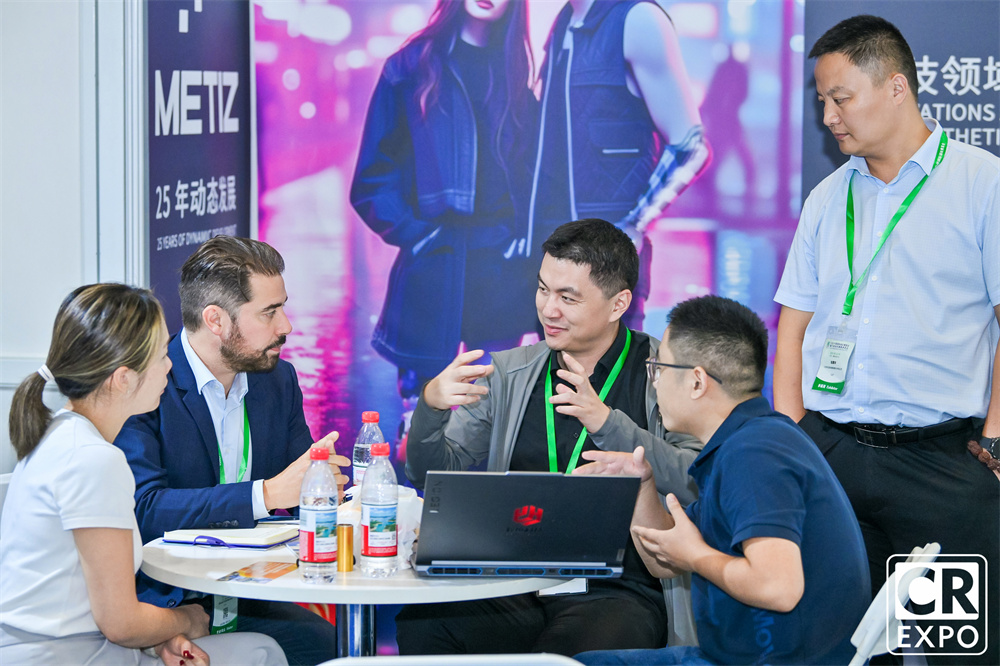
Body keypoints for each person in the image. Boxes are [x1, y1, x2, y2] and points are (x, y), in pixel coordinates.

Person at [773, 14, 999, 663]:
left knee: (953, 651)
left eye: (840, 98)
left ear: (896, 88)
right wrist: (794, 434)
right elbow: (794, 325)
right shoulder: (827, 198)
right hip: (834, 456)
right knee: (843, 647)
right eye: (822, 101)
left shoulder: (982, 184)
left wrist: (994, 436)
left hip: (942, 466)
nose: (828, 117)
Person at [395, 218, 703, 656]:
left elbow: (697, 479)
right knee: (427, 625)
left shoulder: (665, 372)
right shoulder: (509, 372)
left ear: (618, 304)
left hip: (617, 589)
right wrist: (430, 407)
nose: (548, 309)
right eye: (543, 289)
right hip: (512, 582)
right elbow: (428, 474)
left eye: (568, 297)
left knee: (577, 651)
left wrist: (606, 422)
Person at [574, 295, 870, 665]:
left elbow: (779, 588)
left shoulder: (754, 453)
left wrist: (695, 556)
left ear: (697, 382)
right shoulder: (746, 440)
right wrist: (641, 486)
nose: (655, 384)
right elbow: (663, 562)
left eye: (659, 369)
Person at [0, 283, 286, 665]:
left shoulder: (58, 436)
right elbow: (120, 623)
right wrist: (189, 619)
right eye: (162, 355)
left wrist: (158, 638)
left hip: (62, 646)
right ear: (123, 378)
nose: (170, 365)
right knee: (263, 651)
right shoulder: (94, 460)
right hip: (68, 656)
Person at [113, 237, 349, 666]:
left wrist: (333, 494)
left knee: (333, 648)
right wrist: (265, 495)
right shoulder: (148, 385)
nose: (286, 326)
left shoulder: (277, 380)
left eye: (283, 307)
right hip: (167, 599)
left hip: (247, 590)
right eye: (269, 312)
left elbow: (302, 489)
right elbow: (143, 510)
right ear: (216, 320)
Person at [351, 0, 538, 437]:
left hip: (501, 266)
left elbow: (536, 174)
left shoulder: (516, 69)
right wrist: (417, 235)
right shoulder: (411, 67)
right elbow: (372, 177)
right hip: (435, 262)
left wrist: (524, 236)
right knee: (422, 428)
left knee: (487, 424)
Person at [527, 0, 711, 329]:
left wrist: (634, 224)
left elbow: (691, 147)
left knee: (614, 363)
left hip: (608, 268)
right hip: (556, 263)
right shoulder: (565, 22)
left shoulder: (637, 19)